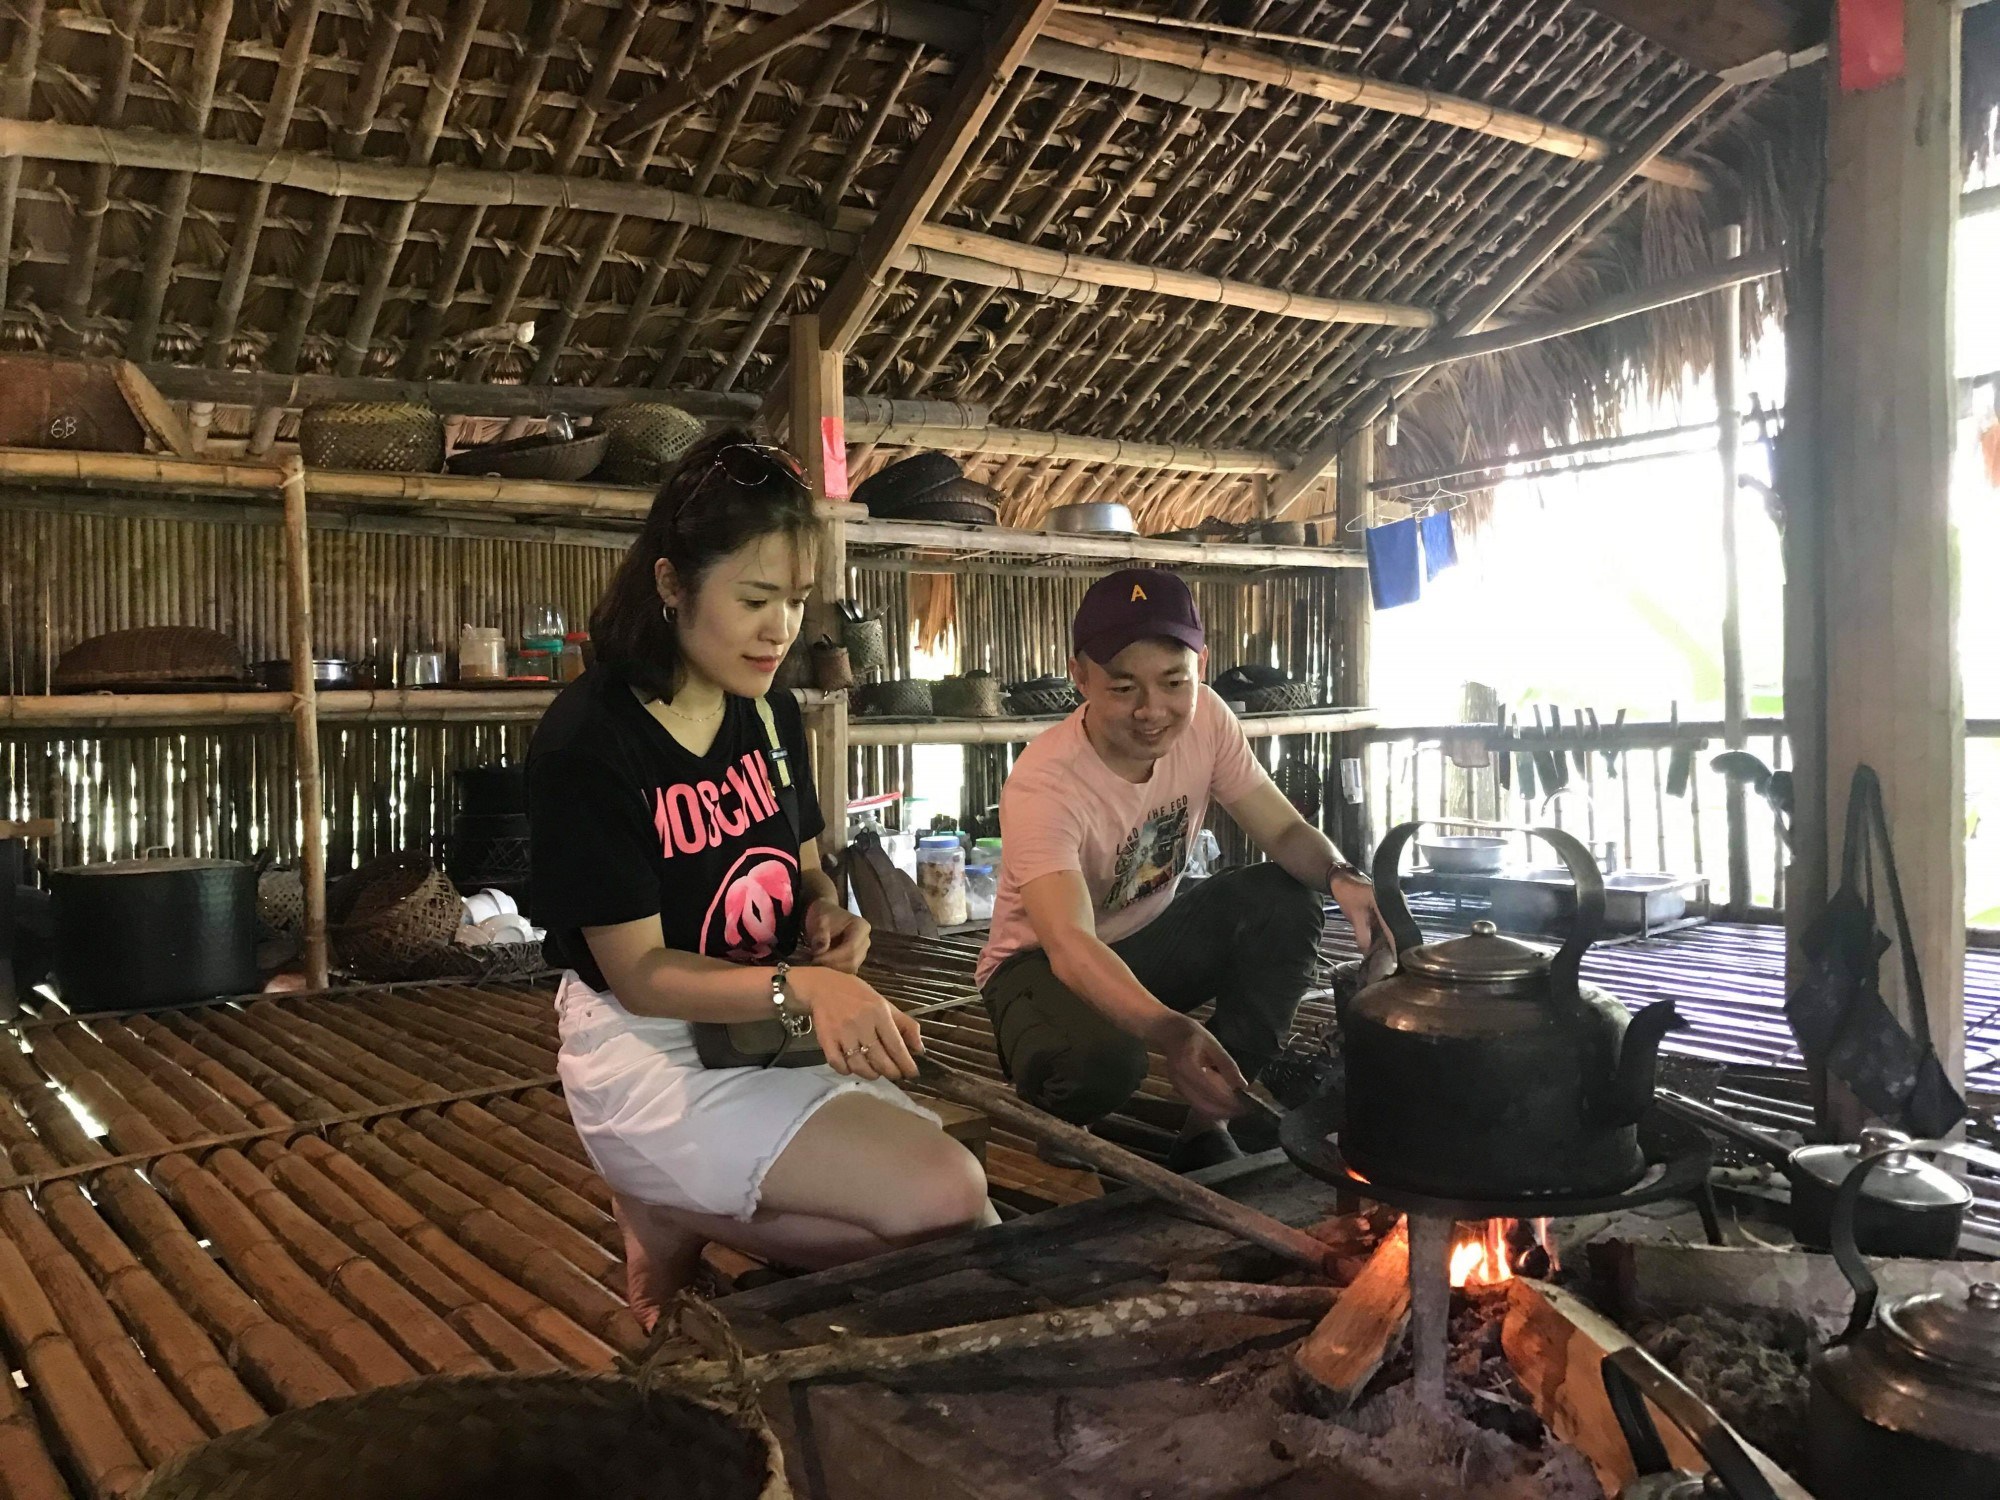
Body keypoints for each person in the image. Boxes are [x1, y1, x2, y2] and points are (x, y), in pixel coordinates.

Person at [528, 430, 993, 1328]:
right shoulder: (590, 741)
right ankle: (658, 1196)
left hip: (763, 1031)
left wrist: (828, 917)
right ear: (672, 583)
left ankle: (674, 1213)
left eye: (795, 600)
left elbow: (806, 868)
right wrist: (806, 988)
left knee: (961, 1211)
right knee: (944, 1204)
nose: (781, 628)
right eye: (754, 599)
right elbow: (640, 975)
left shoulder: (770, 712)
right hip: (649, 1048)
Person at [977, 567, 1382, 1172]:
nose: (1152, 710)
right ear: (1080, 676)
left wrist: (1343, 878)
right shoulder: (1046, 783)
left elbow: (1282, 831)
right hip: (1041, 966)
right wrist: (1170, 1032)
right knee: (1103, 1064)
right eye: (1123, 688)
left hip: (1150, 937)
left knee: (1286, 899)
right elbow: (1069, 945)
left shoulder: (1208, 719)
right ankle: (1062, 1117)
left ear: (1201, 665)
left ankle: (1209, 1120)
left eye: (1174, 682)